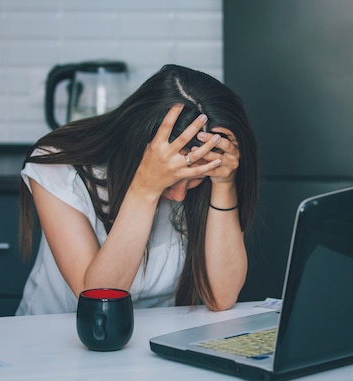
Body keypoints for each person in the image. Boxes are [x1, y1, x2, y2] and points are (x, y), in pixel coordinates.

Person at [16, 64, 258, 315]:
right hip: (54, 338)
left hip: (153, 342)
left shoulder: (211, 178)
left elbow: (221, 296)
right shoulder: (58, 164)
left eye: (196, 177)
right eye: (173, 178)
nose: (180, 195)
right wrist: (145, 187)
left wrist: (223, 182)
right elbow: (99, 301)